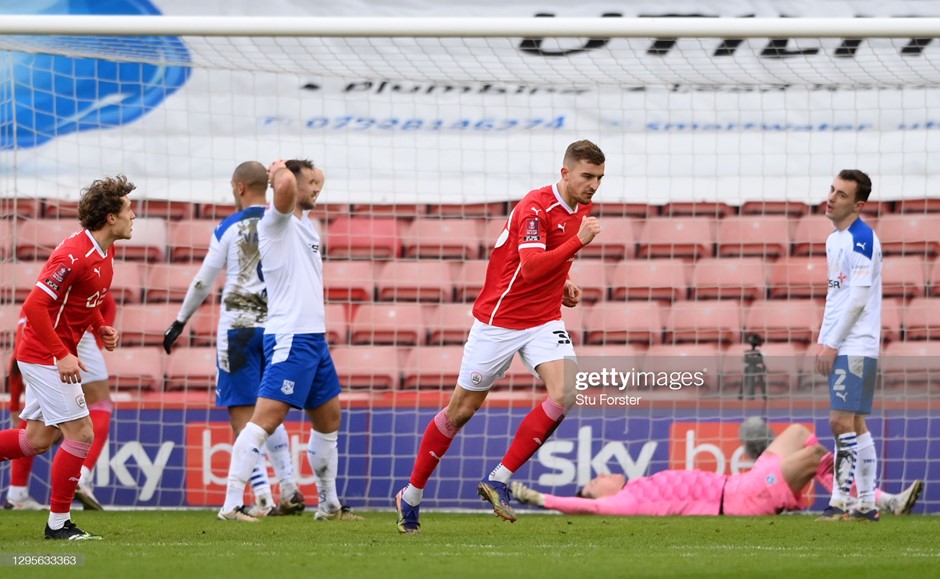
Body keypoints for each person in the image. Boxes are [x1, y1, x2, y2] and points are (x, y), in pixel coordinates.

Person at [395, 140, 605, 534]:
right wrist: (579, 243)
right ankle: (411, 494)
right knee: (460, 412)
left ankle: (498, 479)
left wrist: (564, 284)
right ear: (565, 173)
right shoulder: (535, 206)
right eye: (587, 177)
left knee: (566, 392)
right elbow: (527, 268)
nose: (593, 185)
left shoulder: (582, 208)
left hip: (543, 319)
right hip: (500, 321)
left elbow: (546, 260)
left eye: (599, 178)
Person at [217, 159, 360, 523]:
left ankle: (328, 505)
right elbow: (282, 189)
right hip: (290, 338)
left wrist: (295, 175)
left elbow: (293, 189)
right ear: (291, 183)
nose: (316, 189)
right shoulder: (275, 222)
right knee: (264, 419)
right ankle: (231, 503)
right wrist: (279, 169)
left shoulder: (306, 226)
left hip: (314, 339)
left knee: (329, 419)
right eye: (311, 182)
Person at [163, 161, 303, 518]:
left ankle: (262, 498)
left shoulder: (229, 227)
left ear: (240, 187)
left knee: (243, 417)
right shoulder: (285, 222)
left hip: (238, 331)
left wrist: (180, 321)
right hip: (276, 328)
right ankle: (288, 488)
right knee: (270, 412)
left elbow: (202, 281)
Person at [0, 175, 135, 540]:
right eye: (128, 209)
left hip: (55, 351)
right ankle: (58, 525)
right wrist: (61, 354)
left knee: (37, 440)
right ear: (110, 216)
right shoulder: (73, 255)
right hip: (43, 353)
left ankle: (58, 521)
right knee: (82, 433)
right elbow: (35, 305)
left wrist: (100, 326)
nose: (133, 215)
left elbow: (83, 300)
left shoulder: (104, 252)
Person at [510, 423, 923, 518]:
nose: (602, 475)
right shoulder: (624, 501)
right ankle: (868, 503)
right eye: (593, 482)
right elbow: (587, 510)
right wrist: (537, 497)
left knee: (799, 432)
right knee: (817, 458)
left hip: (741, 484)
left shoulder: (639, 484)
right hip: (743, 497)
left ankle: (870, 499)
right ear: (596, 494)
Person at [3, 293, 117, 512]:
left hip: (37, 349)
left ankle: (17, 494)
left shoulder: (33, 306)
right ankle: (82, 477)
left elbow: (16, 361)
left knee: (37, 430)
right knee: (96, 404)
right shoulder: (82, 272)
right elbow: (107, 301)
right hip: (67, 330)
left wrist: (15, 406)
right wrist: (98, 337)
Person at [814, 170, 883, 522]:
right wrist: (824, 338)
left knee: (839, 422)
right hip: (841, 341)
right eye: (831, 190)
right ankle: (868, 504)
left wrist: (832, 344)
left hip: (856, 344)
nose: (831, 197)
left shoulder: (861, 240)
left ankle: (840, 501)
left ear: (857, 204)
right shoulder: (834, 239)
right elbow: (835, 297)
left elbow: (857, 300)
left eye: (840, 194)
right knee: (855, 424)